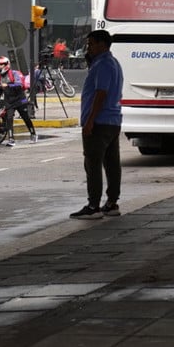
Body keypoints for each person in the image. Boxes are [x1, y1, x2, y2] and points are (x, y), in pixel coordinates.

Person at [70, 30, 125, 219]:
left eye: (91, 44)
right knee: (111, 164)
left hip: (100, 122)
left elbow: (101, 93)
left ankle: (93, 205)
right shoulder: (113, 63)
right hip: (112, 120)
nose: (88, 48)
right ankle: (111, 202)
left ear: (102, 44)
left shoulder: (102, 64)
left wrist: (90, 120)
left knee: (93, 163)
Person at [0, 56, 36, 146]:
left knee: (25, 117)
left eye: (2, 64)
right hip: (9, 101)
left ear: (7, 64)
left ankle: (33, 134)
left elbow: (19, 84)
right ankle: (11, 139)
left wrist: (7, 85)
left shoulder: (15, 73)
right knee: (9, 119)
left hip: (20, 99)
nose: (0, 67)